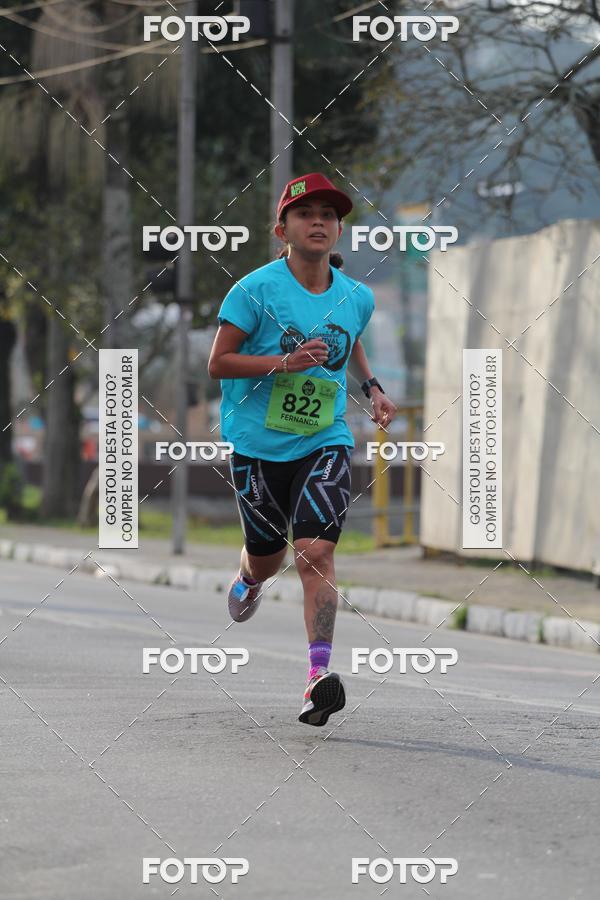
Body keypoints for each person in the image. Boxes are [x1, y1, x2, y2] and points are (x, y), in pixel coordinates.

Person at [208, 172, 397, 726]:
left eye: (329, 215)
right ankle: (247, 577)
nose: (319, 221)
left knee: (314, 553)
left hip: (325, 440)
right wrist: (281, 363)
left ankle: (317, 678)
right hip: (258, 445)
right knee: (267, 559)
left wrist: (372, 388)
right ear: (282, 228)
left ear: (338, 231)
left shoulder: (357, 296)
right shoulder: (254, 291)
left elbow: (351, 337)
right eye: (305, 213)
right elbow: (218, 362)